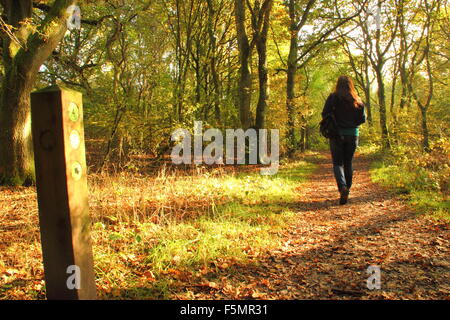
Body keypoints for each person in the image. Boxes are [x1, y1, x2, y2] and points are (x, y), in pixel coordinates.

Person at [322, 76, 366, 205]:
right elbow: (362, 119)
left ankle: (342, 188)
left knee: (337, 163)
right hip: (353, 135)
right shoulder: (357, 100)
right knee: (348, 163)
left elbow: (325, 113)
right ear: (351, 85)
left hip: (336, 134)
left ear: (338, 85)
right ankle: (347, 188)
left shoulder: (333, 98)